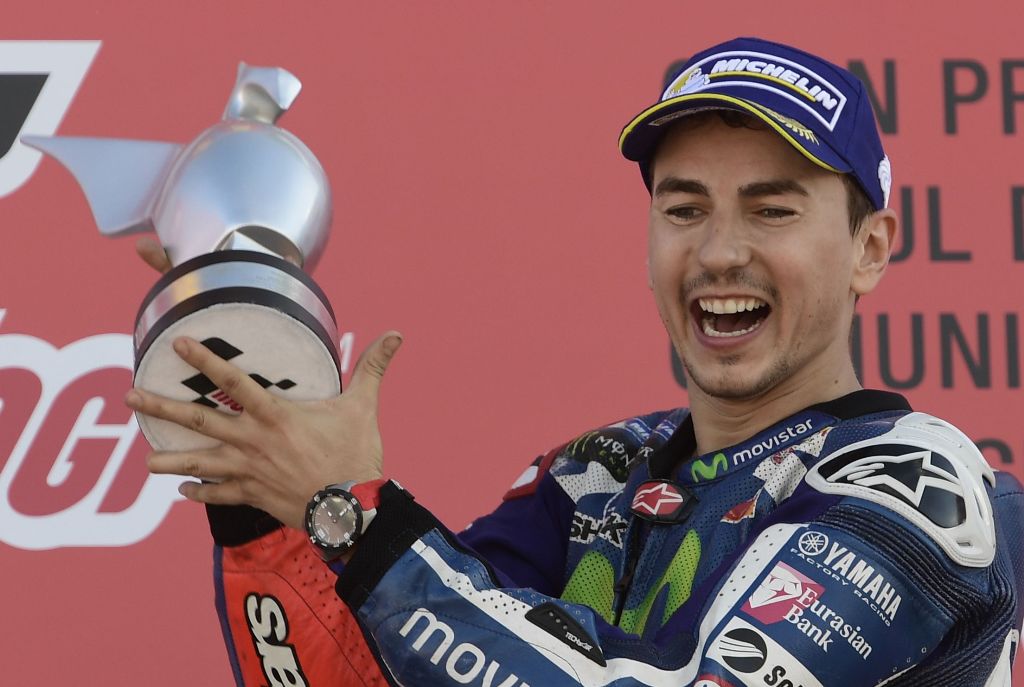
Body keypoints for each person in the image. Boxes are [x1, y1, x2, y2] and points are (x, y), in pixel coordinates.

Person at [129, 37, 1024, 686]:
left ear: (871, 248)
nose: (717, 252)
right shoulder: (596, 478)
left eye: (771, 211)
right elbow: (382, 664)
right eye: (684, 210)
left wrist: (361, 525)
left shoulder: (914, 483)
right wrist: (261, 465)